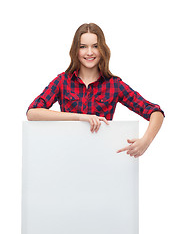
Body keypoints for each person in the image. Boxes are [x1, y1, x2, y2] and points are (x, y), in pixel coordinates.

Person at [26, 23, 164, 158]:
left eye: (95, 46)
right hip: (67, 157)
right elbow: (32, 113)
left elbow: (155, 112)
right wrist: (79, 117)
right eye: (83, 47)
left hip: (103, 159)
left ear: (102, 49)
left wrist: (145, 141)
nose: (90, 52)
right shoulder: (63, 81)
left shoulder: (114, 85)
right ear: (76, 50)